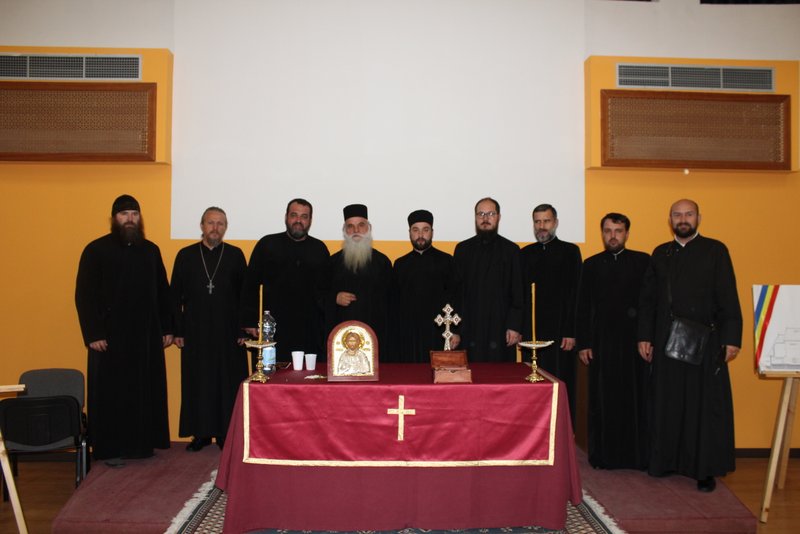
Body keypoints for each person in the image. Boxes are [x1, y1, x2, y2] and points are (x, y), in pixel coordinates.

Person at [638, 199, 742, 492]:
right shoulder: (660, 253)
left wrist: (731, 338)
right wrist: (644, 336)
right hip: (666, 341)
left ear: (698, 218)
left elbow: (728, 296)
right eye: (677, 215)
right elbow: (648, 300)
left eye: (688, 214)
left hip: (705, 343)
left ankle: (704, 470)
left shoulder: (715, 251)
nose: (683, 219)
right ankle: (665, 461)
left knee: (702, 407)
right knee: (667, 403)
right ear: (669, 219)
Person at [75, 194, 172, 464]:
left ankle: (141, 446)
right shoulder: (96, 250)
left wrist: (167, 327)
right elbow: (84, 295)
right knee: (111, 394)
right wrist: (93, 333)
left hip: (145, 336)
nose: (130, 219)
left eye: (134, 214)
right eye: (124, 214)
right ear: (114, 218)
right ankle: (111, 449)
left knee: (142, 391)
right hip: (109, 338)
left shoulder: (151, 251)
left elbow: (162, 292)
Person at [576, 213, 650, 470]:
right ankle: (604, 456)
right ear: (602, 234)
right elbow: (583, 307)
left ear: (627, 233)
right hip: (602, 343)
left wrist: (647, 337)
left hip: (635, 344)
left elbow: (649, 303)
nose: (613, 236)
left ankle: (636, 457)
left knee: (635, 399)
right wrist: (584, 343)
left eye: (618, 231)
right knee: (603, 400)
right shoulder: (591, 265)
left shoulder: (643, 262)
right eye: (608, 231)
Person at [171, 207, 248, 452]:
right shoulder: (185, 255)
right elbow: (175, 296)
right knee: (199, 381)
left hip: (228, 331)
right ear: (202, 226)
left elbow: (244, 296)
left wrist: (243, 330)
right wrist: (177, 330)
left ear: (226, 227)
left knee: (227, 382)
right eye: (211, 223)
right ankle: (201, 434)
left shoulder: (235, 255)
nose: (215, 228)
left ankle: (226, 433)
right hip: (196, 330)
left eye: (220, 223)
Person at [241, 199, 330, 360]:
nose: (298, 220)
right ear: (286, 217)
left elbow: (325, 291)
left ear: (310, 220)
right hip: (273, 328)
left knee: (309, 374)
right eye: (294, 215)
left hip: (310, 330)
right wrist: (250, 320)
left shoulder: (320, 249)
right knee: (271, 372)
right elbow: (250, 285)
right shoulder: (267, 244)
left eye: (304, 216)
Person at [520, 204, 582, 419]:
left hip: (561, 333)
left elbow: (575, 294)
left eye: (546, 221)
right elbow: (521, 296)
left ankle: (563, 428)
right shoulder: (525, 254)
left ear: (555, 223)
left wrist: (571, 331)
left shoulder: (570, 252)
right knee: (532, 387)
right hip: (532, 333)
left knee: (561, 382)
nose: (542, 226)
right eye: (537, 222)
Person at [453, 197, 522, 362]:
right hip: (469, 326)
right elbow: (456, 292)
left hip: (501, 326)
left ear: (498, 217)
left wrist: (514, 326)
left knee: (501, 374)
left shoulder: (511, 250)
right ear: (475, 217)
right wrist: (455, 329)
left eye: (490, 214)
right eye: (481, 214)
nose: (485, 218)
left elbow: (518, 291)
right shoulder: (462, 250)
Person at [390, 209, 460, 362]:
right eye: (416, 230)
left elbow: (455, 297)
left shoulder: (446, 261)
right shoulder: (400, 264)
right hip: (408, 333)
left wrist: (455, 330)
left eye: (425, 230)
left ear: (432, 232)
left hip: (439, 331)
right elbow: (394, 302)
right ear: (409, 233)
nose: (420, 235)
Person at [327, 204, 392, 348]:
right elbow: (319, 295)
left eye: (361, 225)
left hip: (375, 334)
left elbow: (392, 302)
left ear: (369, 228)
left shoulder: (382, 262)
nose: (356, 231)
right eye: (350, 226)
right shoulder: (332, 262)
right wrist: (334, 298)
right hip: (341, 335)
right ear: (344, 230)